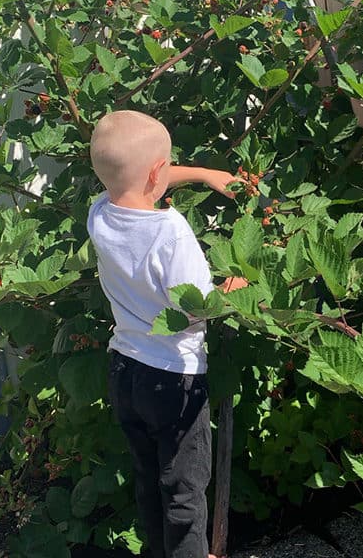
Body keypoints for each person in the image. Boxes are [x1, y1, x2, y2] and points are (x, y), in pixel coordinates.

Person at [87, 110, 243, 558]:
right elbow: (196, 308)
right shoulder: (172, 233)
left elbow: (138, 178)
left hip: (126, 371)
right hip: (174, 380)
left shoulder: (100, 213)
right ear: (159, 170)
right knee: (184, 493)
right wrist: (236, 290)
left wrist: (203, 174)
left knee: (149, 480)